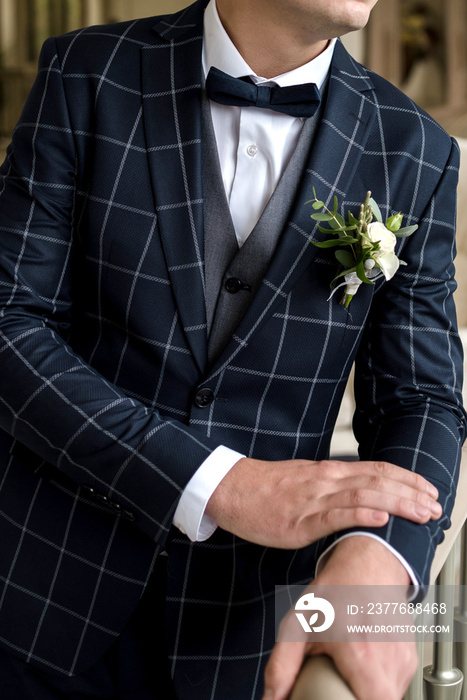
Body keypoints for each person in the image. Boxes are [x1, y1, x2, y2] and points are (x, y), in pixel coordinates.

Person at [0, 0, 464, 698]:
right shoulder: (89, 72)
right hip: (42, 596)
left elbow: (420, 398)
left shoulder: (416, 147)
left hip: (249, 636)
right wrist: (219, 483)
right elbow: (10, 322)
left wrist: (378, 555)